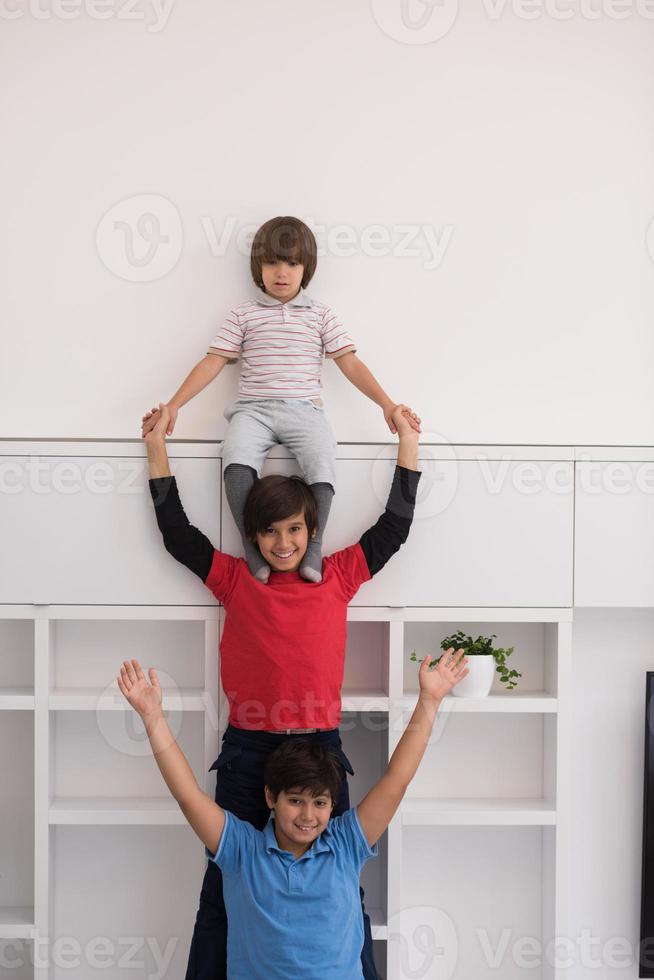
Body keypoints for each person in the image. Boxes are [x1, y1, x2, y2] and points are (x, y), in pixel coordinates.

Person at [144, 401, 420, 980]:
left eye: (294, 528)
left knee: (343, 883)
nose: (283, 541)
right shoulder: (234, 578)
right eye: (269, 531)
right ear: (252, 536)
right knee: (222, 890)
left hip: (320, 749)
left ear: (311, 528)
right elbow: (178, 535)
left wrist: (407, 443)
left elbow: (393, 530)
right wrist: (156, 448)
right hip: (248, 750)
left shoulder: (339, 576)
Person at [117, 647, 468, 979]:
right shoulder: (242, 851)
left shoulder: (345, 845)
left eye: (320, 803)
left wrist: (430, 700)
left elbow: (397, 781)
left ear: (333, 805)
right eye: (295, 800)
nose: (308, 816)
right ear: (271, 797)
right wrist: (152, 717)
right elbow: (187, 796)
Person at [141, 214, 420, 583]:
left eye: (291, 263)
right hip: (253, 411)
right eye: (272, 263)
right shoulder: (243, 314)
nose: (281, 272)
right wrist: (175, 404)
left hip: (304, 410)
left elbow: (349, 363)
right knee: (235, 459)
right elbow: (213, 362)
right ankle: (252, 545)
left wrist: (386, 404)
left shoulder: (320, 315)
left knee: (322, 459)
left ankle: (314, 545)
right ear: (259, 267)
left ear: (307, 268)